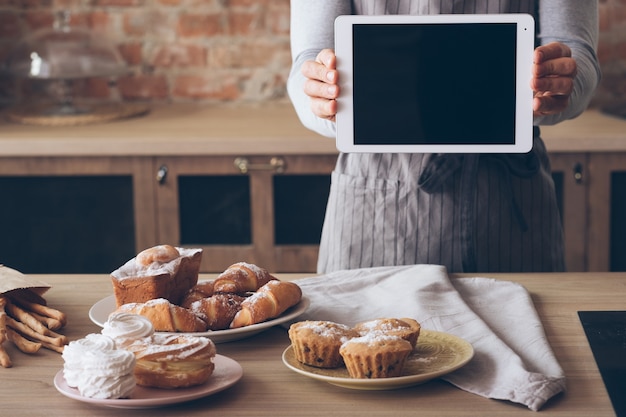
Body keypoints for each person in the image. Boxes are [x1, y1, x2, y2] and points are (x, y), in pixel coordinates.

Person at [287, 1, 601, 274]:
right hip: (377, 204)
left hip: (507, 206)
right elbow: (310, 61)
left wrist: (561, 86)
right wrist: (324, 100)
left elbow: (578, 54)